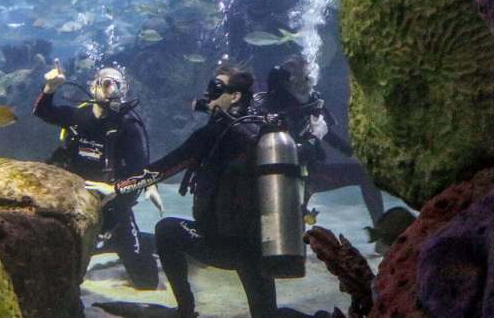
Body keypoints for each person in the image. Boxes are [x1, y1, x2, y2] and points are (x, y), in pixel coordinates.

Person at [113, 65, 276, 318]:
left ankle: (185, 311)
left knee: (167, 230)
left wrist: (117, 189)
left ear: (235, 97)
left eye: (216, 88)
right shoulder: (264, 133)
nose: (209, 94)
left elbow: (161, 170)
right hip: (262, 248)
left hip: (221, 244)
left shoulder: (213, 134)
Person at [34, 61, 159, 290]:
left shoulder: (129, 126)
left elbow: (140, 173)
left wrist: (116, 190)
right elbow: (43, 112)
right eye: (107, 83)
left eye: (118, 84)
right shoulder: (79, 115)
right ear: (93, 87)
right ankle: (97, 244)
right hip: (74, 203)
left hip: (112, 207)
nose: (112, 90)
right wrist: (49, 89)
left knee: (147, 280)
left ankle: (143, 242)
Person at [259, 56, 384, 226]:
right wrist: (314, 136)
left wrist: (353, 153)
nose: (308, 82)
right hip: (287, 177)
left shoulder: (308, 101)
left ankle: (381, 232)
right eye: (304, 76)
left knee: (366, 174)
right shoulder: (277, 107)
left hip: (311, 172)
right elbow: (294, 151)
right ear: (289, 81)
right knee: (291, 229)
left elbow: (326, 133)